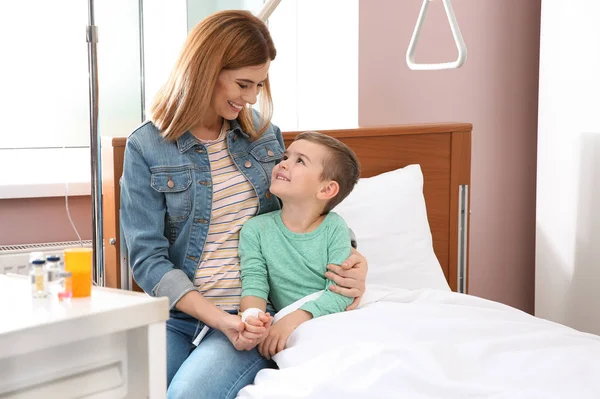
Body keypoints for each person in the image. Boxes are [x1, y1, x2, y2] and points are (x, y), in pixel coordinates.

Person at [119, 9, 369, 399]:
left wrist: (354, 259)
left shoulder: (262, 136)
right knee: (130, 391)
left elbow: (303, 213)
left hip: (252, 317)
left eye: (259, 85)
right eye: (243, 83)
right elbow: (148, 259)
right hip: (180, 317)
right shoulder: (146, 147)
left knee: (186, 395)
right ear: (206, 69)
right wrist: (217, 320)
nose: (252, 98)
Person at [239, 131, 360, 360]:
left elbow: (340, 293)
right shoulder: (255, 230)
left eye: (300, 161)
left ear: (326, 190)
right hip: (293, 330)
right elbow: (254, 284)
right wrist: (252, 317)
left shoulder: (334, 227)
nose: (283, 164)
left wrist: (292, 320)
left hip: (327, 322)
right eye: (285, 157)